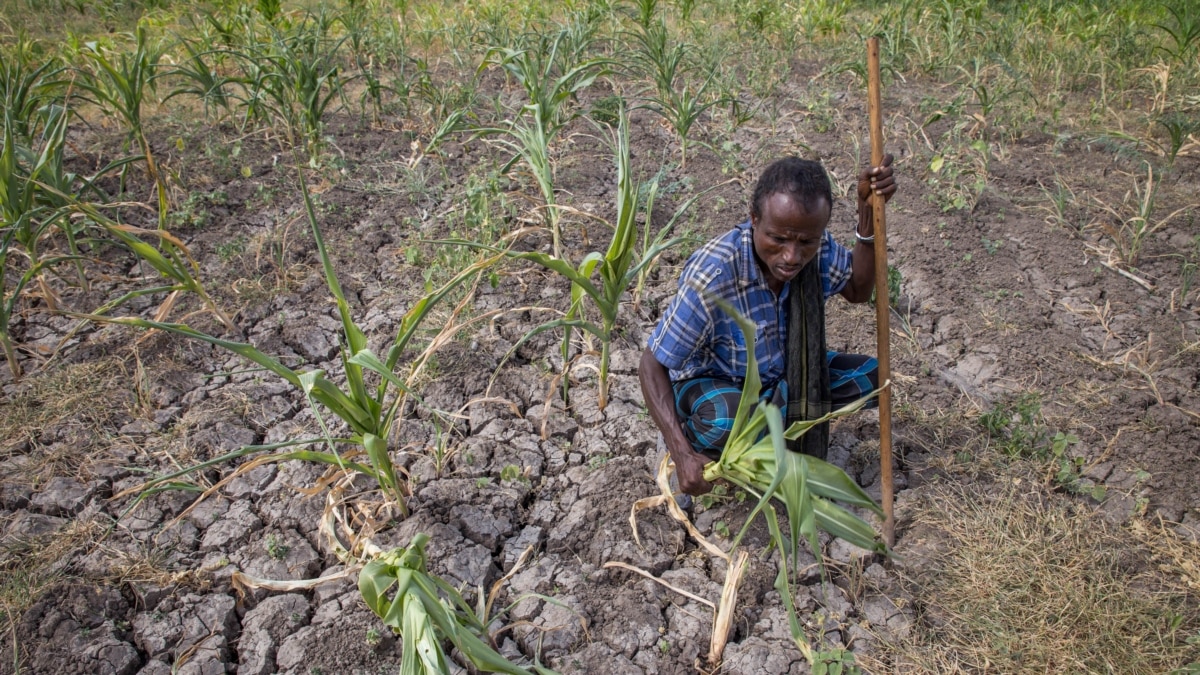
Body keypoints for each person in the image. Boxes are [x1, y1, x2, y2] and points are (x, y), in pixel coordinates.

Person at [639, 155, 896, 496]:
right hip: (717, 384)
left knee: (875, 379)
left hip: (782, 379)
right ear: (754, 219)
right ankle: (692, 436)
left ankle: (775, 429)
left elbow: (858, 290)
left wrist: (868, 214)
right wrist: (680, 451)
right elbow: (651, 364)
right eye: (778, 239)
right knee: (725, 419)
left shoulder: (815, 248)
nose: (791, 256)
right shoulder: (714, 274)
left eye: (805, 242)